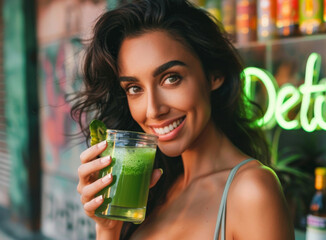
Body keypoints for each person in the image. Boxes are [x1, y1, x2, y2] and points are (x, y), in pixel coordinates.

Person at [71, 0, 294, 239]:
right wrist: (107, 229)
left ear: (213, 75)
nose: (153, 110)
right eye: (135, 88)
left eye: (171, 78)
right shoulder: (154, 186)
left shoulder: (251, 191)